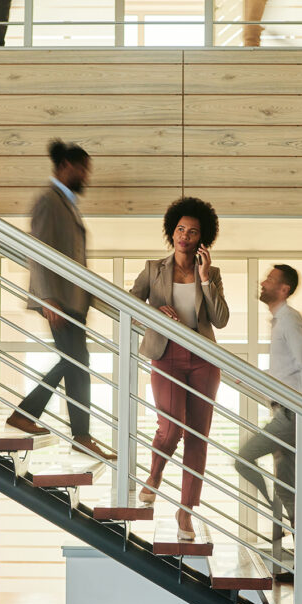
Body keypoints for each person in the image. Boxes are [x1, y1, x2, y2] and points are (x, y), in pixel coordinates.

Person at [5, 140, 116, 461]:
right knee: (75, 362)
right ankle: (35, 417)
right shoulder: (48, 201)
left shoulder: (65, 203)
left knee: (77, 363)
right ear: (65, 167)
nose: (86, 176)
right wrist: (48, 297)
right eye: (82, 169)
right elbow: (38, 252)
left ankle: (72, 431)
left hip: (73, 301)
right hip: (59, 300)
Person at [130, 197, 229, 539]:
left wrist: (204, 280)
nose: (184, 236)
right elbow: (130, 303)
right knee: (171, 429)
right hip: (166, 355)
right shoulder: (153, 269)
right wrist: (155, 311)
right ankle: (154, 475)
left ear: (203, 239)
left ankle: (186, 511)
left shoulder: (211, 274)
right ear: (172, 232)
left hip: (203, 361)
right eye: (179, 229)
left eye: (192, 232)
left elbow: (221, 319)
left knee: (198, 439)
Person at [235, 264, 302, 580]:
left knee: (243, 458)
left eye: (270, 280)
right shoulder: (279, 322)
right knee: (290, 492)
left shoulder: (290, 319)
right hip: (283, 412)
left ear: (283, 288)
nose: (263, 282)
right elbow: (284, 373)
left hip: (290, 415)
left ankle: (272, 513)